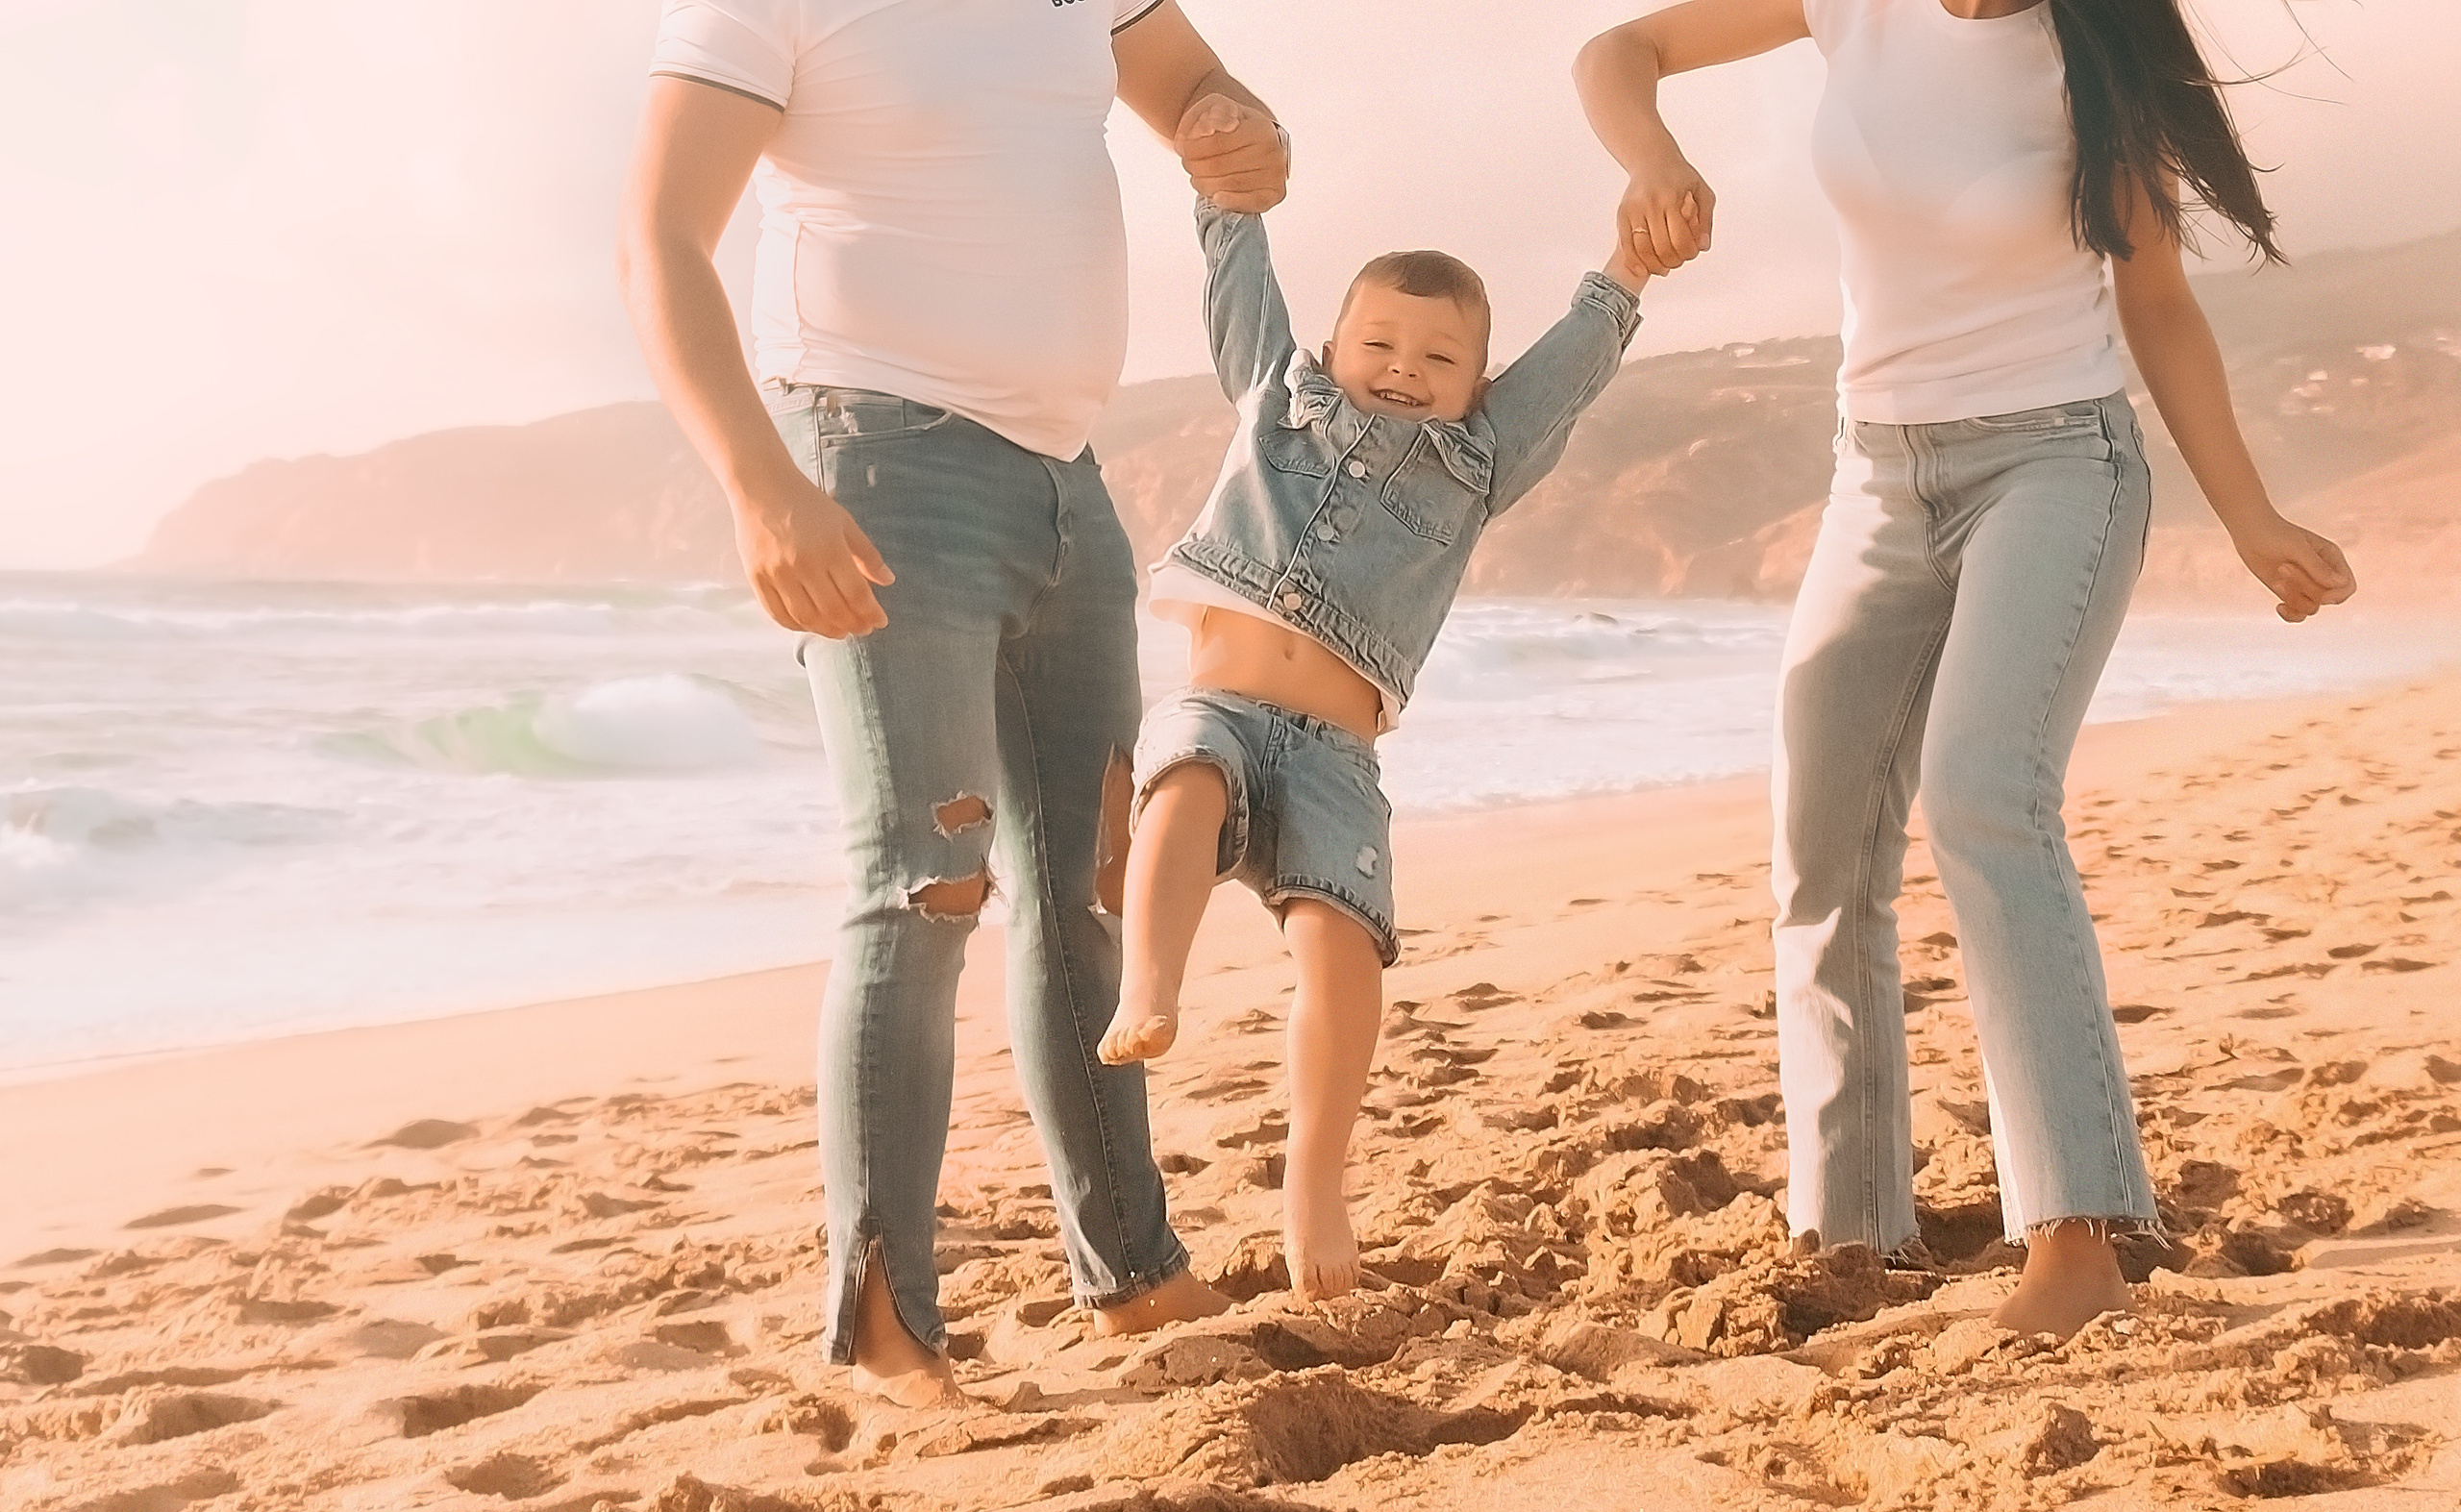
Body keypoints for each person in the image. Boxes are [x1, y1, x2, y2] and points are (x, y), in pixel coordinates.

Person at [1577, 0, 2357, 1339]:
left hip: (2057, 461)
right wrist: (1651, 159)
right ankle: (1853, 1235)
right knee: (1820, 851)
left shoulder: (2092, 57)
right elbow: (1617, 52)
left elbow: (2156, 303)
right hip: (1876, 478)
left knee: (1985, 788)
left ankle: (2076, 1236)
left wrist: (2249, 515)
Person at [616, 0, 1289, 1407]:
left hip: (1064, 476)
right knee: (922, 887)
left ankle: (1133, 1270)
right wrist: (757, 481)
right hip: (875, 456)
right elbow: (661, 238)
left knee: (1087, 883)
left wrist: (1235, 128)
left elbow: (1194, 90)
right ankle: (879, 1329)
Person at [1097, 172, 1649, 1300]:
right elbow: (1237, 283)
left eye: (1440, 360)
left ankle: (1315, 1177)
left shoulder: (1480, 465)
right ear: (1332, 345)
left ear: (1475, 386)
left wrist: (1628, 267)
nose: (1404, 368)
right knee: (1185, 782)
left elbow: (1566, 377)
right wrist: (1224, 192)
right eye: (1381, 344)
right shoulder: (1273, 396)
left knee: (1342, 947)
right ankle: (1149, 981)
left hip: (1338, 754)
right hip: (1225, 707)